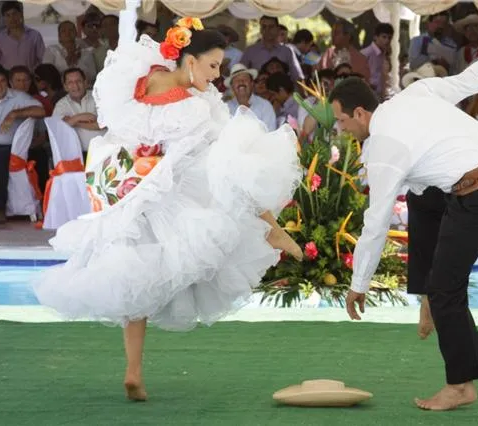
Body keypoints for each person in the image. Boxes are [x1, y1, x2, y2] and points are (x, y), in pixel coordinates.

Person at [32, 0, 303, 402]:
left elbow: (120, 91)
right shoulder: (195, 105)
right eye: (212, 66)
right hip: (167, 189)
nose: (217, 76)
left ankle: (134, 372)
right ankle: (273, 229)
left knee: (133, 280)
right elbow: (226, 167)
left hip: (130, 191)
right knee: (232, 172)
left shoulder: (142, 77)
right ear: (190, 61)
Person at [328, 11, 478, 411]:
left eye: (343, 121)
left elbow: (375, 223)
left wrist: (358, 282)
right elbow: (473, 79)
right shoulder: (414, 94)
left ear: (360, 113)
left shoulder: (381, 147)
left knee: (447, 289)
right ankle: (428, 293)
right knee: (422, 200)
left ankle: (460, 384)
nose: (342, 129)